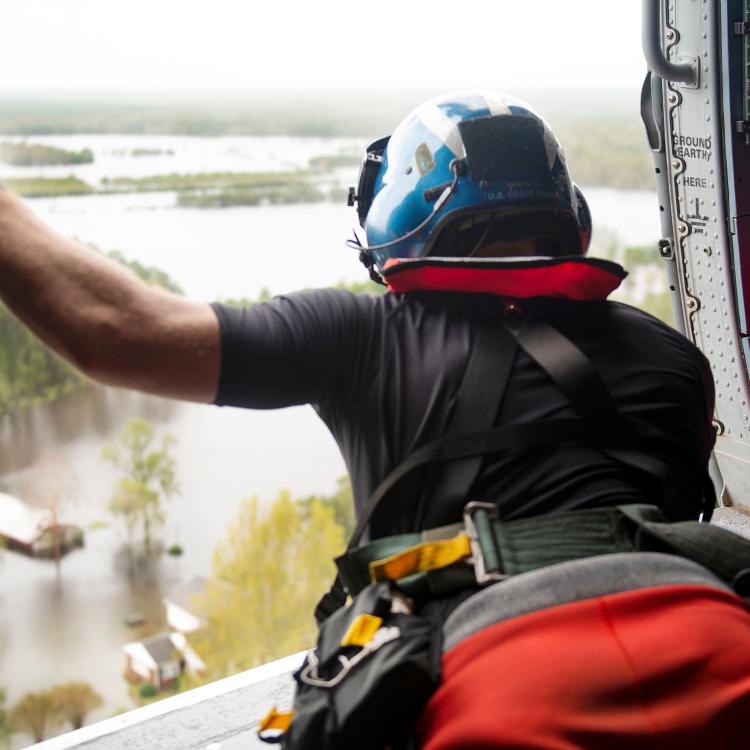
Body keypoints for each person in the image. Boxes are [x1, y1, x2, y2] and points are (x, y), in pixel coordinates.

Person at [1, 91, 749, 748]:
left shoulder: (362, 336)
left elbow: (112, 330)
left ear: (403, 206)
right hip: (723, 649)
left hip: (503, 687)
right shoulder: (675, 357)